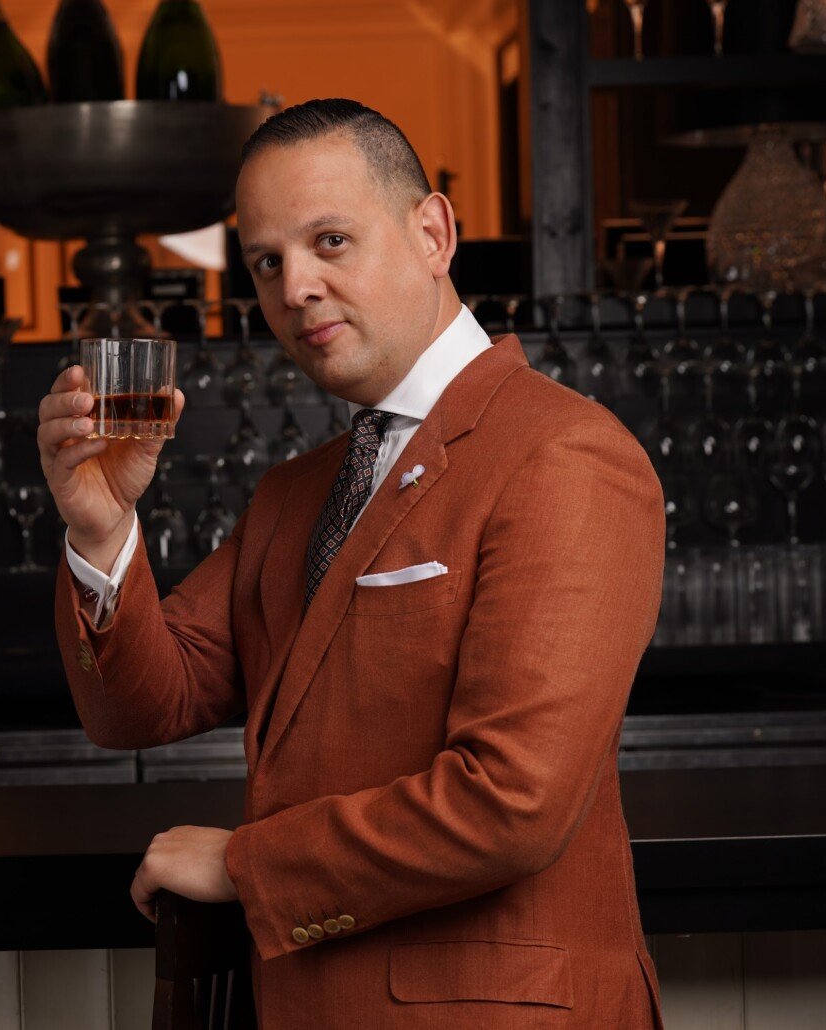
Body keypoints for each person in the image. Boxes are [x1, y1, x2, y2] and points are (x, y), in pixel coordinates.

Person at [39, 98, 666, 1028]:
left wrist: (244, 865)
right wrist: (100, 531)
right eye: (267, 261)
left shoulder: (564, 455)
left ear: (433, 233)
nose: (294, 287)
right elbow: (141, 705)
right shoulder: (298, 492)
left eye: (330, 241)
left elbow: (514, 801)